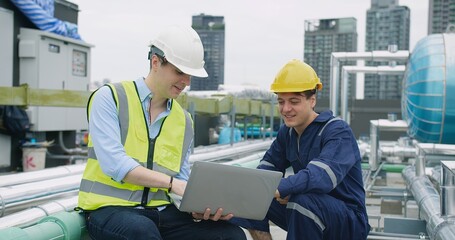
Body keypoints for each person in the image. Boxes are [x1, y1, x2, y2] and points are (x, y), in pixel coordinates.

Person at [77, 25, 246, 240]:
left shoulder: (184, 120)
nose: (186, 82)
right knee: (142, 232)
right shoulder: (110, 98)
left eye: (190, 75)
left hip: (163, 212)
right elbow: (115, 164)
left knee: (230, 234)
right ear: (155, 62)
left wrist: (195, 207)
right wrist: (171, 184)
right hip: (110, 209)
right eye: (179, 72)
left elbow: (181, 177)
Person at [232, 59, 370, 240]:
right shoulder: (287, 133)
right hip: (309, 208)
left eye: (294, 101)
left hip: (348, 221)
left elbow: (321, 176)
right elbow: (267, 168)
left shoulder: (337, 131)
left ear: (312, 100)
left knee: (302, 201)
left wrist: (284, 189)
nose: (286, 109)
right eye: (281, 101)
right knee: (250, 195)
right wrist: (255, 188)